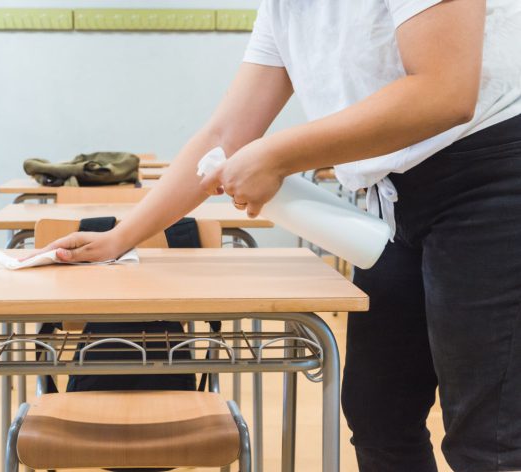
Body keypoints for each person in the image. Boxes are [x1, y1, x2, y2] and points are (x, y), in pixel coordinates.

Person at [28, 0, 521, 470]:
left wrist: (278, 156)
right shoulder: (284, 9)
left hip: (493, 182)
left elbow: (445, 90)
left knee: (489, 436)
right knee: (379, 418)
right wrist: (120, 237)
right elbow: (225, 135)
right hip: (394, 203)